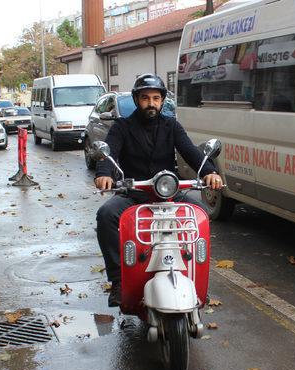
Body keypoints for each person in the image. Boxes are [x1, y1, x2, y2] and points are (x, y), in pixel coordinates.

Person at [95, 73, 223, 307]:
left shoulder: (171, 125)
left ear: (162, 100)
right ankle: (118, 281)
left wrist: (209, 172)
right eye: (145, 98)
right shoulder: (122, 127)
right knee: (106, 215)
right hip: (133, 194)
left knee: (199, 213)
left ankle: (195, 275)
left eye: (156, 98)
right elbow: (110, 152)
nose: (151, 103)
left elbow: (190, 150)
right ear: (137, 100)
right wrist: (105, 173)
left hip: (168, 194)